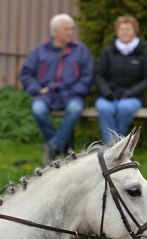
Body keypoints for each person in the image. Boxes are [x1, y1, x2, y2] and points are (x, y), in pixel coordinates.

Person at [20, 13, 94, 163]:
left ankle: (53, 147)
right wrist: (38, 89)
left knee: (75, 109)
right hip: (47, 94)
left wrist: (75, 90)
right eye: (66, 29)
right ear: (55, 32)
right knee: (38, 109)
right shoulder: (40, 50)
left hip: (72, 94)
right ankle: (62, 146)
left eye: (72, 29)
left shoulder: (81, 50)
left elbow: (88, 77)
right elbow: (26, 74)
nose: (71, 32)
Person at [94, 15, 147, 144]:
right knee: (104, 108)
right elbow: (99, 74)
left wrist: (130, 93)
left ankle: (114, 145)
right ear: (117, 31)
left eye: (128, 29)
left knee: (125, 108)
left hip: (133, 97)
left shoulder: (143, 54)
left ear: (135, 31)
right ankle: (113, 147)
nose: (125, 32)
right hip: (109, 96)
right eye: (122, 29)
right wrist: (107, 92)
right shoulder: (108, 52)